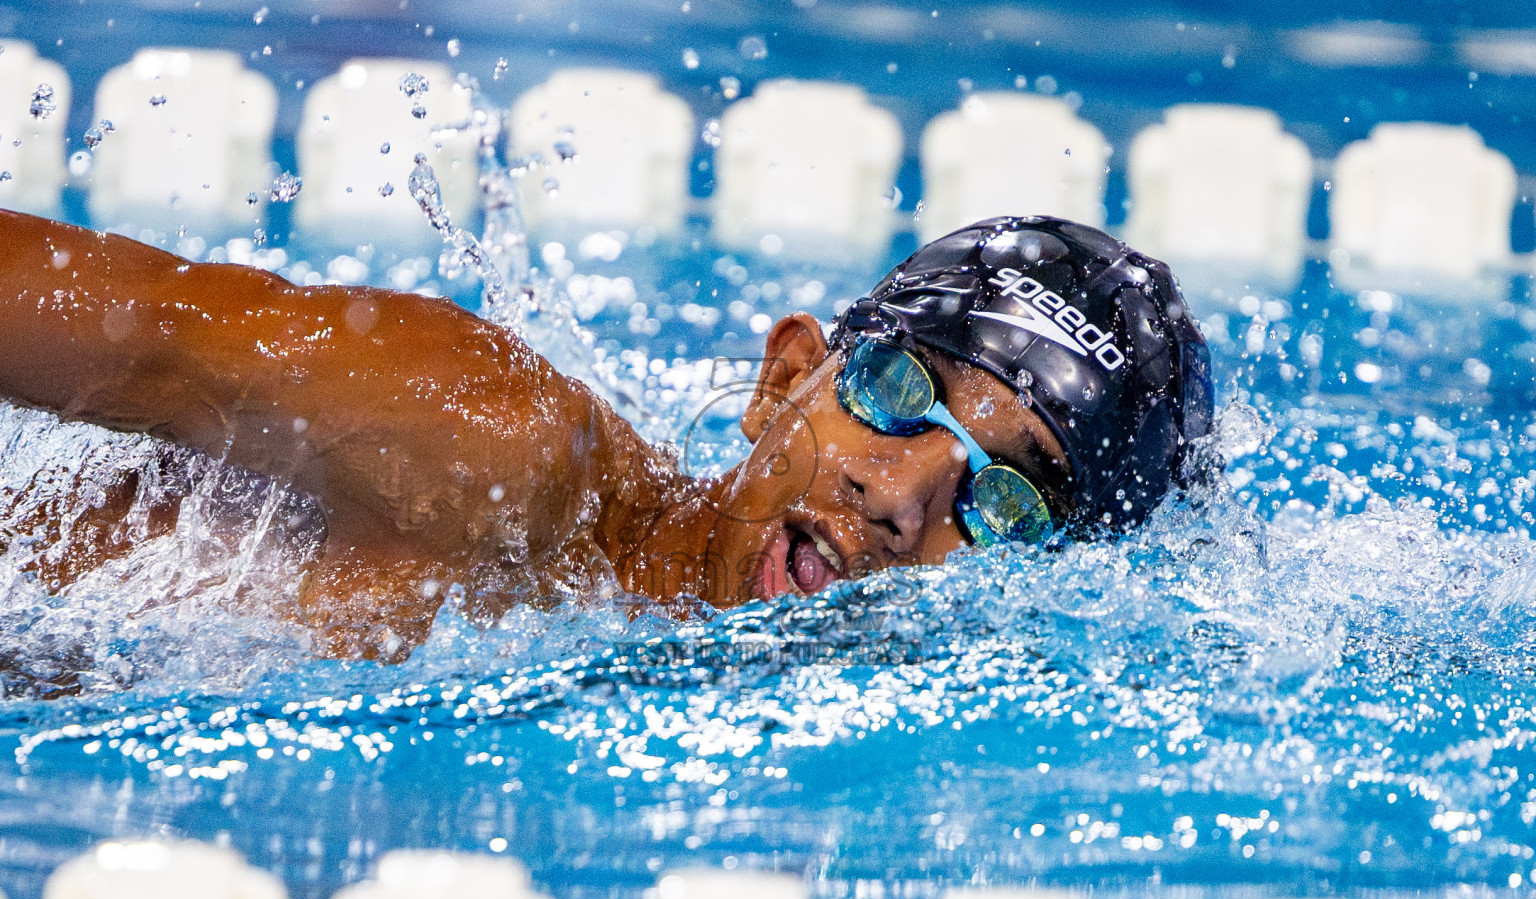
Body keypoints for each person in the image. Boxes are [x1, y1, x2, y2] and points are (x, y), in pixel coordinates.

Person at [0, 210, 1212, 660]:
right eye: (898, 390)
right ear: (784, 375)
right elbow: (116, 322)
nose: (901, 497)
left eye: (1003, 502)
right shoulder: (493, 449)